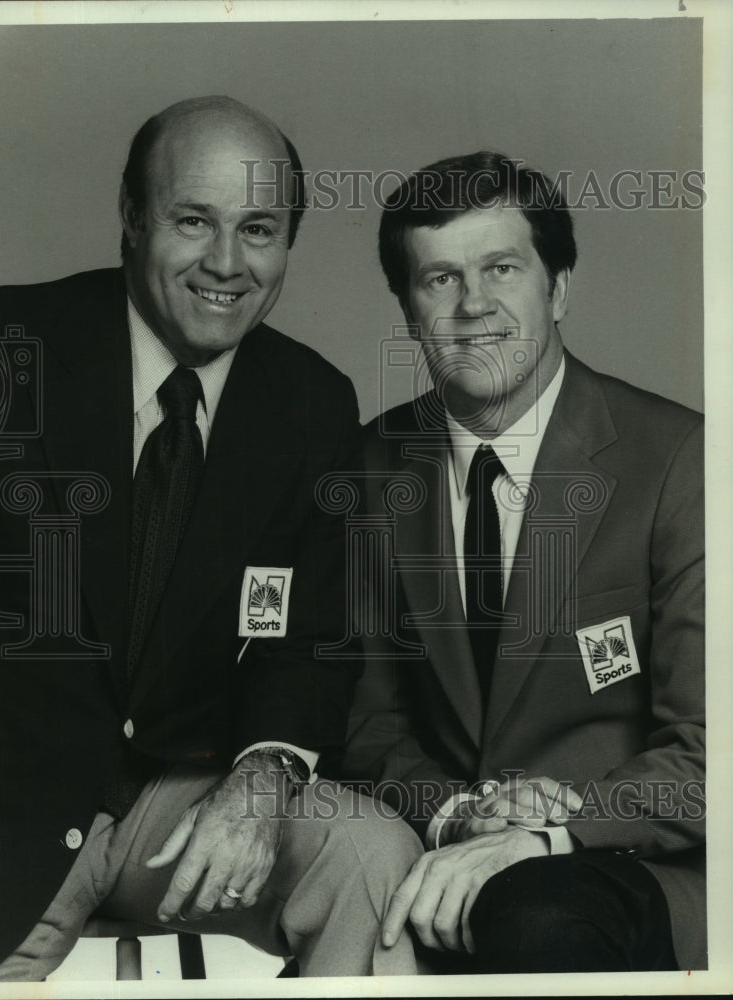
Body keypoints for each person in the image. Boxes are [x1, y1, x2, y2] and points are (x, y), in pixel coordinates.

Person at [0, 96, 422, 980]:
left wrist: (262, 777)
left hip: (176, 806)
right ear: (132, 216)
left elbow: (306, 645)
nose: (227, 263)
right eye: (194, 221)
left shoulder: (311, 402)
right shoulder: (2, 347)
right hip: (4, 812)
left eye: (258, 229)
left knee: (367, 855)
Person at [342, 151, 705, 972]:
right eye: (439, 280)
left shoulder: (681, 459)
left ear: (559, 287)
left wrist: (555, 826)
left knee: (535, 919)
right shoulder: (369, 468)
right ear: (408, 311)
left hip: (632, 860)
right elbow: (365, 722)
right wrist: (460, 818)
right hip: (444, 856)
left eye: (502, 268)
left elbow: (713, 750)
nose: (474, 306)